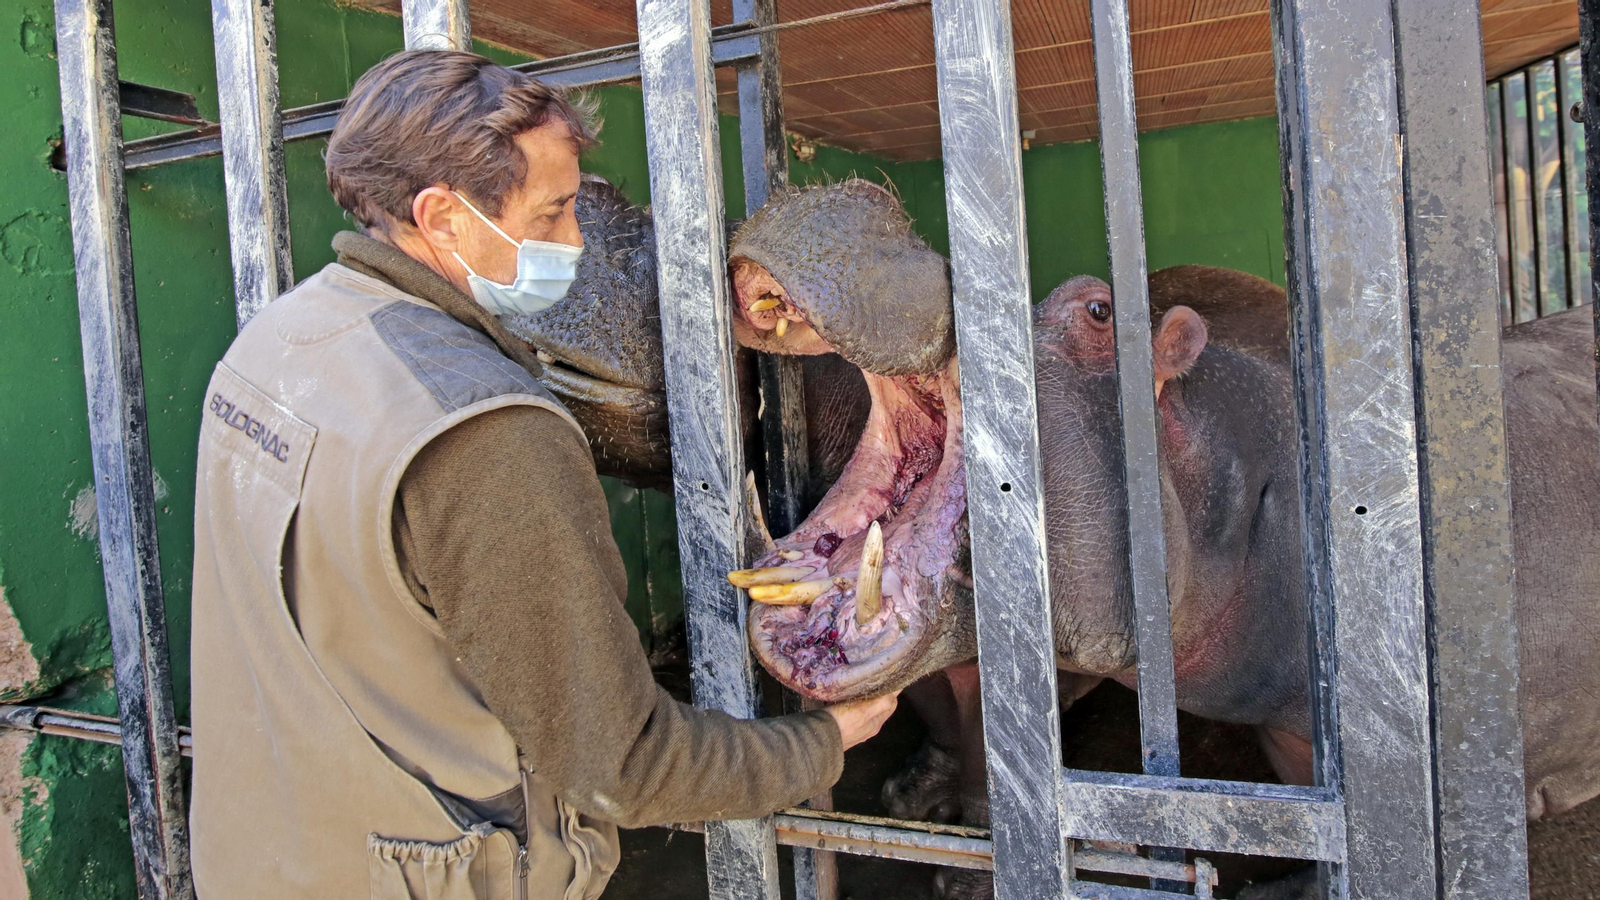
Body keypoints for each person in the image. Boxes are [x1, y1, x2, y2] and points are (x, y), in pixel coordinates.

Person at [188, 50, 897, 900]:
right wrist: (826, 741)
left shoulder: (277, 341)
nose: (574, 241)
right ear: (444, 218)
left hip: (262, 849)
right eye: (556, 211)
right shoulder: (487, 431)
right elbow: (622, 766)